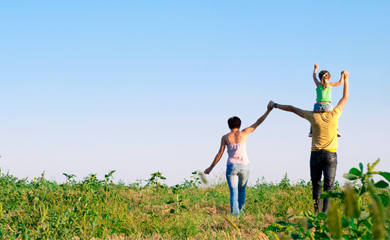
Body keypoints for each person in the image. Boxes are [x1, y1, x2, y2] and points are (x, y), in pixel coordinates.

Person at [269, 70, 349, 213]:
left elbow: (293, 109)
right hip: (331, 155)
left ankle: (316, 213)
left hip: (315, 155)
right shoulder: (335, 114)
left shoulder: (312, 116)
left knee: (316, 186)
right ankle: (324, 216)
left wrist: (275, 105)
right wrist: (346, 79)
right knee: (328, 187)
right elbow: (344, 97)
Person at [204, 105, 273, 215]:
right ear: (239, 125)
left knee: (233, 193)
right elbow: (258, 122)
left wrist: (210, 168)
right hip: (244, 166)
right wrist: (268, 111)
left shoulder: (225, 137)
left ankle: (235, 216)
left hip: (231, 166)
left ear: (229, 126)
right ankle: (242, 213)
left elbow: (219, 154)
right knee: (242, 191)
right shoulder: (244, 133)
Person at [309, 64, 345, 137]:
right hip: (327, 106)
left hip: (317, 106)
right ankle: (336, 130)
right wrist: (342, 75)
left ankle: (311, 131)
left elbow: (314, 77)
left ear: (320, 77)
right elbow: (340, 82)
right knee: (334, 117)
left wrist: (315, 69)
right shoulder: (330, 85)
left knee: (312, 118)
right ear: (329, 78)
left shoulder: (318, 84)